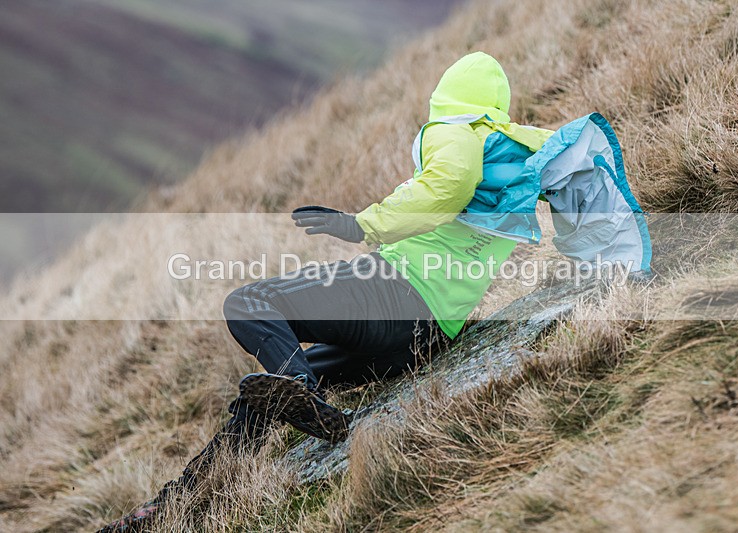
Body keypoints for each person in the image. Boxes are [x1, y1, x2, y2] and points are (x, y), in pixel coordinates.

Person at [101, 51, 558, 531]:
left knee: (249, 303)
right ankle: (168, 507)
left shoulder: (456, 134)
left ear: (448, 100)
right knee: (262, 398)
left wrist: (361, 224)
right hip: (430, 337)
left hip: (394, 290)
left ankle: (296, 389)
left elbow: (448, 186)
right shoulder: (520, 158)